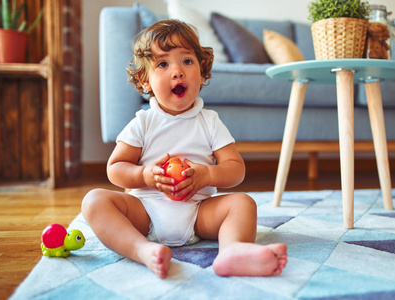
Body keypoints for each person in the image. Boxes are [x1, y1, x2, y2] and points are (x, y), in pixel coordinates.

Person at [81, 19, 287, 279]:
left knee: (243, 204)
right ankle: (141, 250)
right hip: (145, 213)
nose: (177, 71)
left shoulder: (210, 121)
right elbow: (115, 168)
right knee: (94, 201)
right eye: (163, 64)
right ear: (145, 80)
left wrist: (207, 175)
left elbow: (236, 169)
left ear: (201, 73)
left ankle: (232, 252)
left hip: (200, 213)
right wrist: (144, 176)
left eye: (187, 61)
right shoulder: (142, 122)